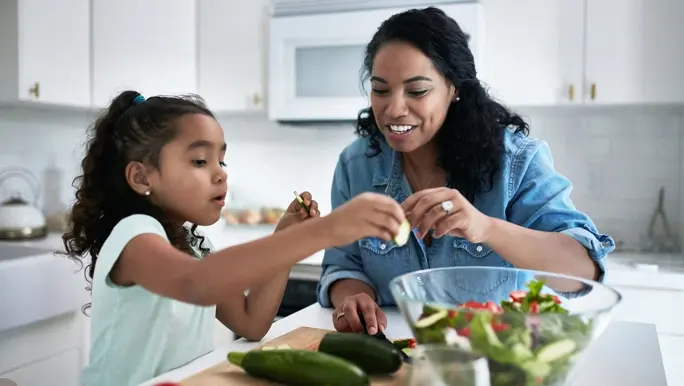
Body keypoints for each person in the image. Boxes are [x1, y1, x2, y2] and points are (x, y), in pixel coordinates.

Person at [61, 90, 407, 386]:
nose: (220, 176)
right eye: (199, 161)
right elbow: (196, 283)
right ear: (140, 177)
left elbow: (251, 322)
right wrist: (326, 230)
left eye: (221, 162)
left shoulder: (196, 246)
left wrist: (287, 237)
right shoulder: (135, 235)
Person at [316, 7, 615, 335]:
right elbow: (344, 264)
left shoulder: (516, 161)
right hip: (393, 359)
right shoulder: (355, 165)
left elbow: (583, 271)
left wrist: (486, 228)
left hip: (495, 360)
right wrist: (355, 296)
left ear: (454, 88)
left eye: (417, 91)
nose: (394, 109)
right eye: (381, 89)